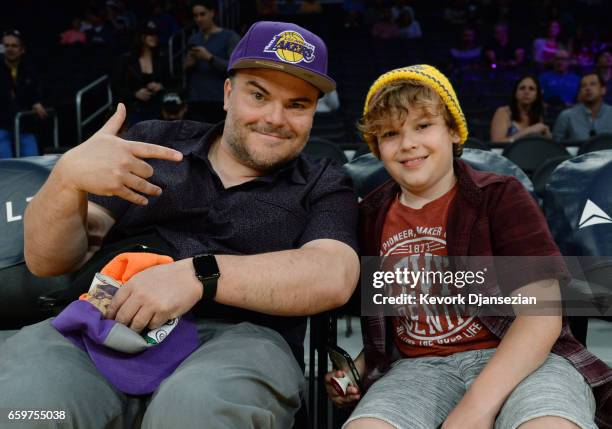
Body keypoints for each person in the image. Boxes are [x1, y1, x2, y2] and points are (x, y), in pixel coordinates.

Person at [0, 21, 360, 428]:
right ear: (227, 93)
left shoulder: (323, 181)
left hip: (236, 339)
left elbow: (334, 273)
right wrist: (65, 181)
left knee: (197, 409)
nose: (275, 118)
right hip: (101, 322)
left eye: (298, 104)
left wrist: (198, 274)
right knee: (26, 404)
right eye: (258, 95)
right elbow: (48, 260)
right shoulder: (155, 142)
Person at [324, 64, 612, 428]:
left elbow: (541, 317)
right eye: (391, 133)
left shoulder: (501, 196)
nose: (408, 142)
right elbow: (403, 321)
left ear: (453, 131)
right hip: (418, 369)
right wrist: (356, 370)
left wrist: (475, 407)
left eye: (423, 126)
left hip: (523, 358)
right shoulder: (372, 214)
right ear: (376, 147)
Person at [184, 0, 240, 124]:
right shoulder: (194, 38)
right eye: (196, 15)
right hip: (196, 99)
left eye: (202, 14)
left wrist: (209, 58)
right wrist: (188, 65)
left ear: (212, 13)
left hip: (219, 99)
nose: (199, 19)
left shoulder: (229, 37)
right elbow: (186, 71)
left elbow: (234, 68)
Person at [0, 29, 47, 158]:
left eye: (14, 46)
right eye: (6, 46)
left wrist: (36, 102)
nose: (10, 49)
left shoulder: (31, 70)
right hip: (2, 125)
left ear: (22, 49)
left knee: (33, 161)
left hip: (24, 125)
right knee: (5, 165)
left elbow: (36, 93)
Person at [113, 21, 169, 126]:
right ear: (141, 37)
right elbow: (116, 86)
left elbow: (169, 81)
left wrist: (160, 86)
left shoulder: (161, 58)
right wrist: (135, 94)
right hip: (134, 110)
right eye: (150, 34)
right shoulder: (127, 59)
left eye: (156, 34)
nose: (154, 37)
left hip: (156, 109)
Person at [553, 72, 612, 141]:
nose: (588, 88)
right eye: (583, 86)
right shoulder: (566, 116)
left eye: (593, 84)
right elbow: (556, 147)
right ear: (580, 92)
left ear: (603, 90)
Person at [490, 74, 550, 142]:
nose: (526, 92)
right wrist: (530, 130)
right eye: (522, 88)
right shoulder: (503, 112)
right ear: (515, 93)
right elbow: (496, 143)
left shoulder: (537, 114)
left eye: (531, 89)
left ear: (537, 95)